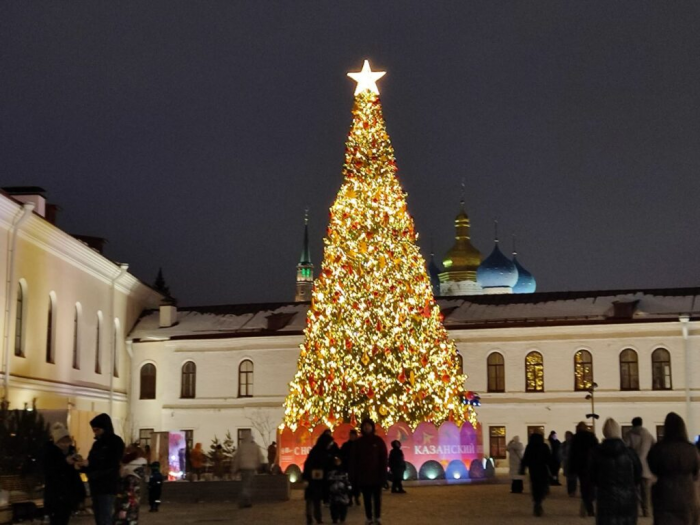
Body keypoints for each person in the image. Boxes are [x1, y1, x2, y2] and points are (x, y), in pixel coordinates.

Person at [648, 412, 700, 525]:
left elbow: (652, 467)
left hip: (664, 494)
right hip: (688, 493)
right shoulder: (691, 449)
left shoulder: (659, 448)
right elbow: (696, 471)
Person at [592, 418, 642, 525]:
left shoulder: (597, 453)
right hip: (627, 497)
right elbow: (638, 475)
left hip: (605, 497)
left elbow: (592, 476)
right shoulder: (630, 453)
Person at [83, 413, 125, 525]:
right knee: (99, 518)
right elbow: (91, 461)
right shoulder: (97, 444)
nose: (95, 432)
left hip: (107, 485)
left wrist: (91, 464)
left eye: (97, 429)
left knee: (105, 517)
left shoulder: (115, 442)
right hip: (96, 485)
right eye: (93, 430)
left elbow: (111, 462)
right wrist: (83, 465)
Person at [42, 423, 84, 525]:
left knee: (64, 519)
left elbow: (73, 474)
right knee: (56, 520)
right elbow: (49, 471)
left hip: (68, 493)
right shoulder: (49, 452)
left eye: (67, 441)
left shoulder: (71, 451)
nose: (65, 445)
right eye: (62, 442)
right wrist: (65, 462)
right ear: (56, 441)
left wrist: (78, 465)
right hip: (55, 493)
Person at [353, 418, 388, 525]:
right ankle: (369, 517)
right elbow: (354, 460)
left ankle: (377, 517)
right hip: (364, 476)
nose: (367, 427)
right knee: (367, 499)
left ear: (372, 427)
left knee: (377, 498)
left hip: (376, 475)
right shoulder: (358, 442)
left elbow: (383, 458)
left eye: (369, 425)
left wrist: (383, 474)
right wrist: (355, 475)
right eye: (365, 426)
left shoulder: (378, 441)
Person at [624, 417, 655, 518]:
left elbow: (626, 449)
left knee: (634, 491)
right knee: (646, 492)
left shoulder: (629, 435)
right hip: (646, 467)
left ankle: (635, 510)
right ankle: (646, 511)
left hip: (633, 466)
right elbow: (654, 448)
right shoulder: (648, 435)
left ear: (632, 424)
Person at [569, 421, 599, 517]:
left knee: (584, 486)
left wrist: (571, 467)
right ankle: (589, 502)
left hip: (580, 466)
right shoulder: (591, 436)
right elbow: (596, 450)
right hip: (592, 465)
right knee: (592, 485)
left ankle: (587, 504)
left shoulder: (575, 438)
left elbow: (572, 454)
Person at [304, 433, 333, 525]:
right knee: (311, 500)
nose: (330, 445)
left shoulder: (325, 452)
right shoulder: (316, 452)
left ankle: (317, 517)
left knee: (316, 500)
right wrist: (306, 478)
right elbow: (308, 465)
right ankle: (310, 517)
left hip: (319, 480)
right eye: (329, 443)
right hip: (313, 479)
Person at [520, 432, 552, 517]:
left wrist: (522, 469)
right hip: (542, 470)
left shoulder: (530, 447)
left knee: (535, 486)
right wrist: (552, 469)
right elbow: (549, 459)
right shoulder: (544, 446)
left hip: (533, 470)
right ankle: (539, 501)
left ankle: (536, 502)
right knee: (542, 486)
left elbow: (525, 459)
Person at [114, 445, 147, 525]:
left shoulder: (130, 476)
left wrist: (123, 509)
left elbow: (129, 494)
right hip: (132, 509)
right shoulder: (137, 474)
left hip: (126, 509)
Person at [231, 434, 264, 508]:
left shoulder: (241, 446)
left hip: (243, 468)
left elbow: (237, 458)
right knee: (249, 485)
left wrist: (234, 469)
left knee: (245, 484)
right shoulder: (255, 446)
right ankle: (246, 501)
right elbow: (260, 457)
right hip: (251, 468)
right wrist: (259, 465)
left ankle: (244, 501)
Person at [340, 429, 361, 506]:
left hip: (357, 468)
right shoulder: (346, 445)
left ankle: (356, 497)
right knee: (349, 484)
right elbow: (341, 455)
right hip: (348, 468)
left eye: (353, 435)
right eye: (351, 435)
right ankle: (350, 498)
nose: (352, 437)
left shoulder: (359, 445)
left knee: (356, 484)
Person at [328, 455, 351, 524]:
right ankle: (335, 518)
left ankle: (342, 517)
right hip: (333, 492)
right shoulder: (331, 471)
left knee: (343, 506)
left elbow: (347, 481)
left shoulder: (344, 471)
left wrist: (348, 489)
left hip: (342, 492)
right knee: (334, 506)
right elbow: (328, 481)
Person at [561, 430, 577, 497]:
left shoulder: (574, 444)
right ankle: (570, 491)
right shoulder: (564, 444)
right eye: (566, 436)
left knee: (573, 477)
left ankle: (572, 491)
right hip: (567, 463)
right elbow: (561, 452)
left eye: (568, 436)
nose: (566, 437)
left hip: (573, 462)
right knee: (568, 478)